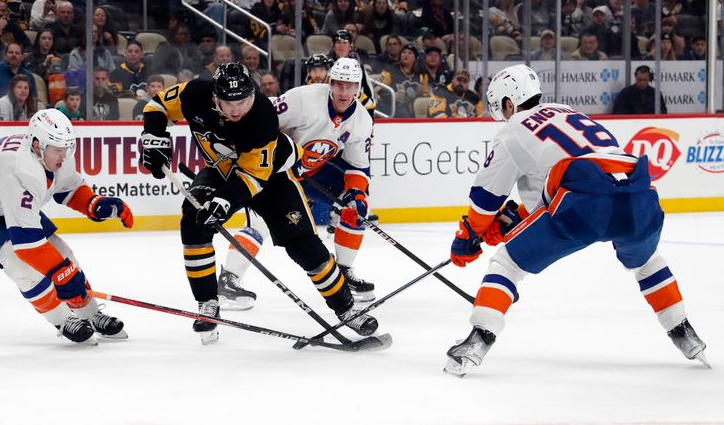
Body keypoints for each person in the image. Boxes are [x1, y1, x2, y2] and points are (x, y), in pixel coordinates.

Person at [443, 64, 707, 376]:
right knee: (647, 260)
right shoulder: (568, 112)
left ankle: (478, 339)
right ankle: (684, 332)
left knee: (507, 264)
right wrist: (518, 222)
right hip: (638, 191)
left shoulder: (512, 130)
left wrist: (468, 235)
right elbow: (555, 182)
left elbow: (485, 199)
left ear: (509, 103)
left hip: (585, 202)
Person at [138, 62, 379, 343]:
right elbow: (157, 106)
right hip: (220, 170)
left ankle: (347, 309)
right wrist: (154, 136)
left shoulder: (262, 116)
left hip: (272, 177)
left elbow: (253, 177)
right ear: (215, 96)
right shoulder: (194, 93)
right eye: (228, 102)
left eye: (242, 100)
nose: (236, 109)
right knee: (193, 221)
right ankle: (207, 304)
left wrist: (225, 201)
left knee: (304, 245)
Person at [0, 109, 133, 345]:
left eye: (67, 147)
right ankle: (62, 319)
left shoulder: (54, 151)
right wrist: (62, 273)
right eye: (58, 149)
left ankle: (90, 314)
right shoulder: (20, 171)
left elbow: (68, 188)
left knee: (60, 252)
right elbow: (26, 245)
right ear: (37, 145)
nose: (64, 155)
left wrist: (93, 203)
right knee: (17, 262)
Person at [216, 57, 376, 308]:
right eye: (338, 84)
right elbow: (261, 119)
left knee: (357, 206)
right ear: (330, 82)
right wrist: (276, 158)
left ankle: (343, 273)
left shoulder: (362, 121)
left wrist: (356, 193)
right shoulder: (303, 99)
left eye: (349, 86)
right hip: (274, 169)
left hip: (312, 172)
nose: (343, 91)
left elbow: (358, 166)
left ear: (358, 88)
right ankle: (229, 279)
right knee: (260, 223)